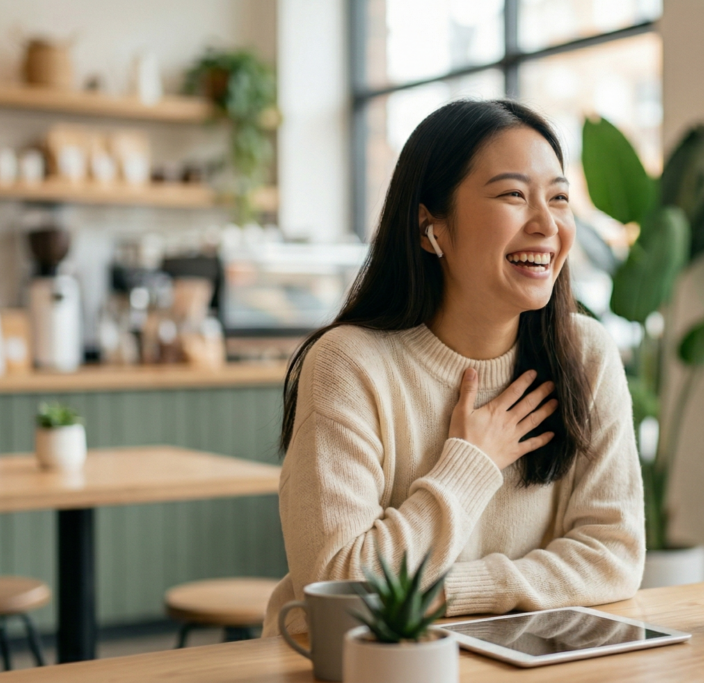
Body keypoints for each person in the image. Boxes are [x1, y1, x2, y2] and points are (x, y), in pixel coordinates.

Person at [264, 99, 644, 636]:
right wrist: (470, 463)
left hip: (518, 663)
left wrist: (445, 594)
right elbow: (338, 584)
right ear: (430, 227)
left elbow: (613, 556)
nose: (546, 224)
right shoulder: (348, 364)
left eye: (558, 198)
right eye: (514, 195)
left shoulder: (586, 354)